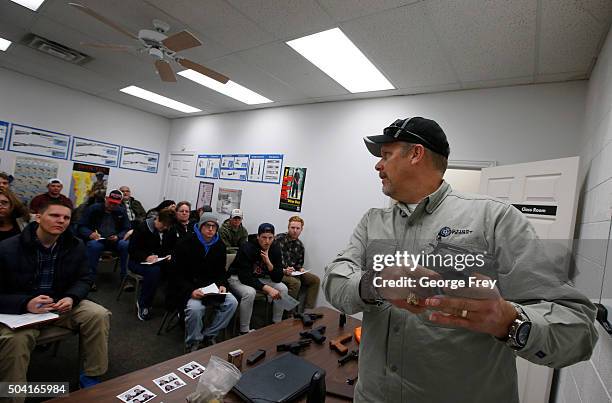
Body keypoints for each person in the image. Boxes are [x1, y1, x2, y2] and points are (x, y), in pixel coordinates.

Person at [322, 117, 598, 403]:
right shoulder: (372, 222)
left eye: (386, 156)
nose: (378, 166)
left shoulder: (494, 219)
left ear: (416, 154)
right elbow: (335, 281)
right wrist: (374, 283)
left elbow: (578, 330)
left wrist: (509, 321)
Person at [0, 200, 111, 391]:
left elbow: (85, 278)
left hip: (59, 303)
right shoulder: (7, 248)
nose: (61, 221)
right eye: (54, 215)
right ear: (38, 217)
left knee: (98, 314)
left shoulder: (75, 245)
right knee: (15, 341)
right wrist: (25, 303)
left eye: (66, 217)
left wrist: (71, 297)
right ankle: (12, 396)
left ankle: (93, 375)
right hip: (20, 311)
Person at [170, 212, 238, 351]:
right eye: (207, 225)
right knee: (196, 309)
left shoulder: (219, 245)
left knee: (232, 302)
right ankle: (193, 343)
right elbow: (176, 274)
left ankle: (208, 335)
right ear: (200, 227)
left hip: (210, 288)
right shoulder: (185, 243)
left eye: (214, 226)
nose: (211, 229)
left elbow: (221, 272)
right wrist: (191, 291)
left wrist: (222, 285)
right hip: (189, 288)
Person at [228, 223, 289, 334]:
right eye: (264, 237)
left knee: (283, 288)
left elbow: (278, 277)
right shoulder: (247, 247)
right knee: (250, 293)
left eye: (270, 238)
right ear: (258, 237)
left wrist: (269, 264)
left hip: (259, 278)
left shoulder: (275, 248)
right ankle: (244, 330)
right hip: (237, 278)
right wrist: (268, 289)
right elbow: (245, 278)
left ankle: (277, 323)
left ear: (274, 237)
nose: (267, 241)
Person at [128, 208, 175, 321]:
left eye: (167, 227)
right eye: (163, 225)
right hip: (137, 262)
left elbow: (171, 247)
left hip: (158, 261)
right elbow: (132, 250)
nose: (164, 228)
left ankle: (172, 302)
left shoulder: (168, 230)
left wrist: (170, 254)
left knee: (174, 267)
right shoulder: (142, 228)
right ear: (157, 219)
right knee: (154, 271)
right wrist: (146, 257)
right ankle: (144, 304)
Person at [78, 189, 130, 288]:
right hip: (97, 239)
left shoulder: (121, 211)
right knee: (94, 246)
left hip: (114, 240)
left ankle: (125, 279)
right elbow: (81, 226)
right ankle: (90, 280)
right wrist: (90, 233)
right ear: (106, 199)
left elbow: (126, 228)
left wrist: (118, 236)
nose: (112, 205)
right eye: (111, 202)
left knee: (125, 244)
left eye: (116, 204)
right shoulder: (93, 209)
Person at [275, 216, 320, 309]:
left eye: (297, 228)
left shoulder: (299, 245)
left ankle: (308, 310)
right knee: (296, 283)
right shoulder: (278, 240)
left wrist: (301, 269)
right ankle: (289, 312)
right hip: (280, 271)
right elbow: (273, 261)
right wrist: (285, 270)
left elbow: (299, 263)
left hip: (293, 271)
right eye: (292, 228)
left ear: (301, 229)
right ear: (288, 228)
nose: (295, 231)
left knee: (315, 280)